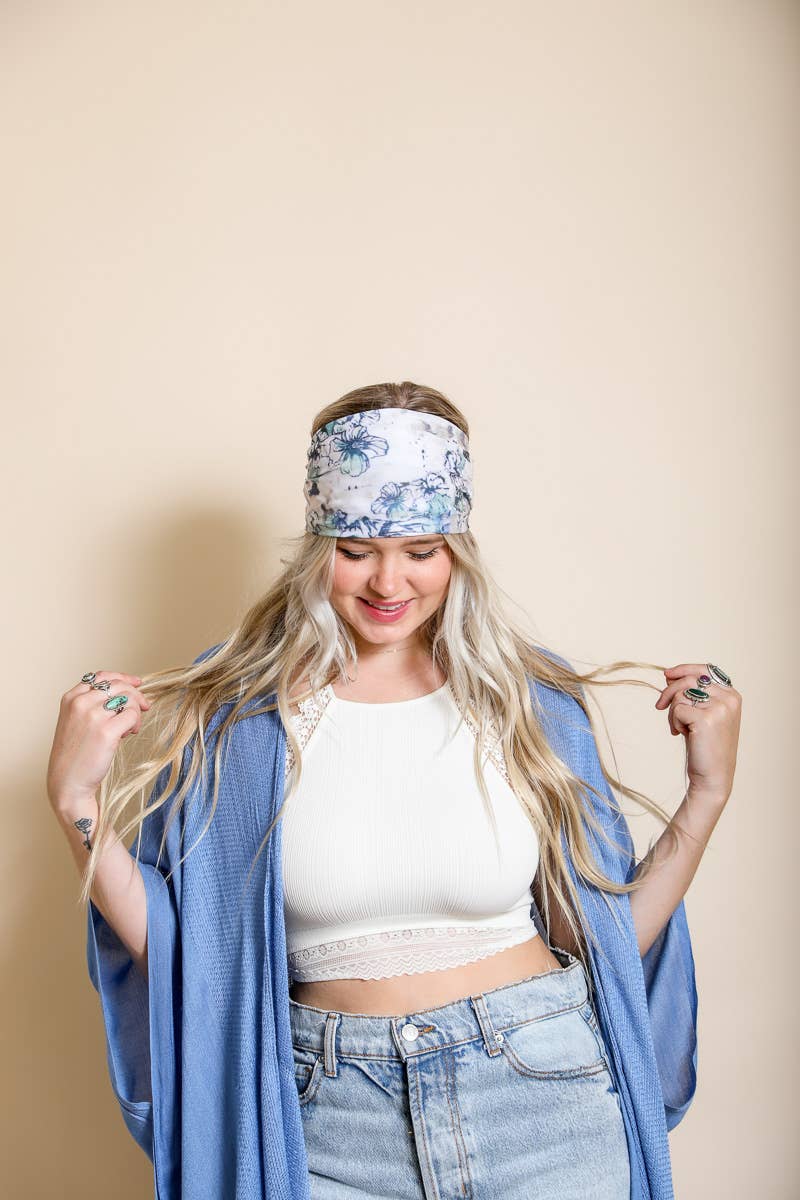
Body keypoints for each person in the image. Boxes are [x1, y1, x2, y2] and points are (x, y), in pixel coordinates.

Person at [48, 381, 741, 1200]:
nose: (388, 582)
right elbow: (192, 960)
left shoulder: (528, 702)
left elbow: (601, 940)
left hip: (542, 1096)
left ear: (459, 549)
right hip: (330, 1122)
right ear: (316, 544)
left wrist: (705, 793)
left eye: (421, 549)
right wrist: (76, 803)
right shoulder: (236, 719)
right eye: (356, 548)